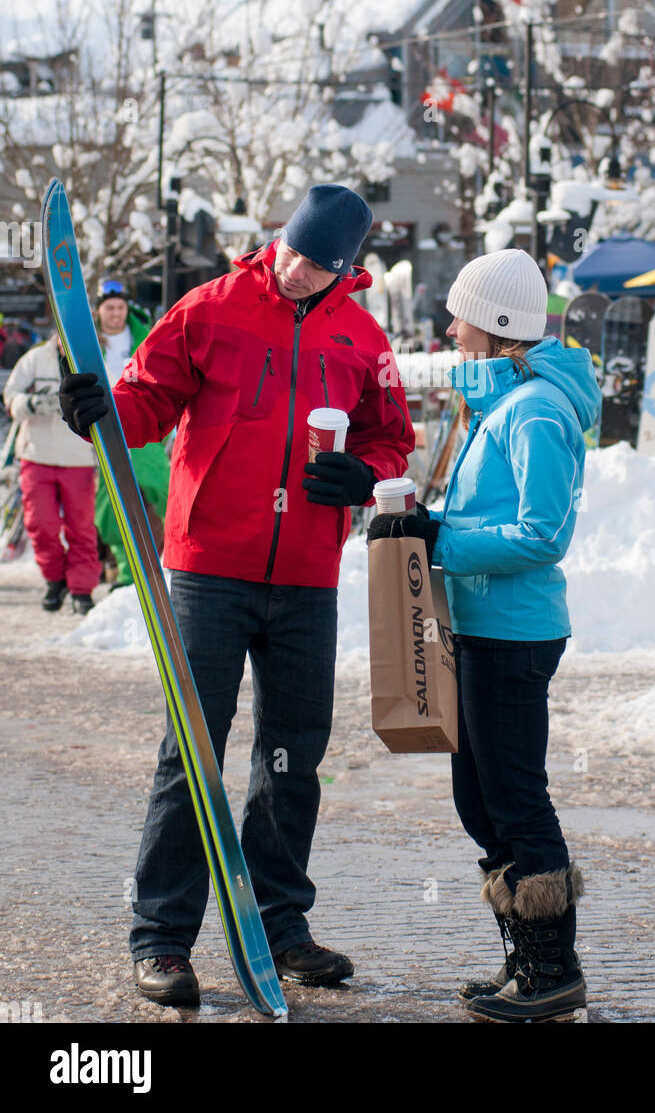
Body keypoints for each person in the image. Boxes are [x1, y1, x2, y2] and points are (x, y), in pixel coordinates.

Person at [60, 183, 414, 1008]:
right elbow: (145, 404)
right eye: (290, 252)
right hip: (209, 566)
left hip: (305, 574)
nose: (295, 272)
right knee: (191, 748)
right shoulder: (209, 309)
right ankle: (162, 939)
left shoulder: (362, 338)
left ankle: (279, 928)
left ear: (344, 269)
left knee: (292, 757)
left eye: (316, 265)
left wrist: (365, 472)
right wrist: (99, 409)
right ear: (276, 238)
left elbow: (392, 440)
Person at [368, 248, 600, 1023]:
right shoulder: (502, 404)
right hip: (479, 627)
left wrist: (440, 541)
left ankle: (551, 969)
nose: (446, 325)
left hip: (514, 633)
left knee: (513, 797)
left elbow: (541, 534)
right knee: (480, 801)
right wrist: (428, 526)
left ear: (496, 326)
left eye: (458, 313)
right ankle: (523, 959)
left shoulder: (534, 411)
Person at [3, 333, 100, 613]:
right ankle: (55, 578)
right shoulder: (35, 358)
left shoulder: (91, 358)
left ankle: (82, 589)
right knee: (41, 524)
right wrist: (30, 404)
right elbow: (10, 395)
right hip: (37, 453)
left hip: (78, 456)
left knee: (80, 526)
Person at [93, 280, 170, 587]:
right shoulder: (87, 341)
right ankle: (125, 574)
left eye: (120, 307)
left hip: (144, 431)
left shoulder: (145, 336)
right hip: (103, 432)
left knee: (160, 493)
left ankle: (164, 568)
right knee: (113, 506)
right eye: (109, 308)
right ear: (99, 311)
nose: (115, 314)